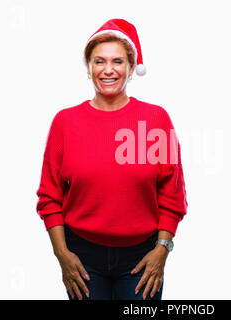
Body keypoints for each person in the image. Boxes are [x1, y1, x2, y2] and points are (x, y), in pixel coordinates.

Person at [35, 18, 188, 300]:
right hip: (82, 258)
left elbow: (173, 193)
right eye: (99, 61)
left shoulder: (157, 119)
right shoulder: (64, 122)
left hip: (142, 257)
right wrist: (62, 255)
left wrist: (162, 250)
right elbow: (49, 196)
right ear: (89, 67)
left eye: (117, 61)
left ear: (131, 68)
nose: (108, 70)